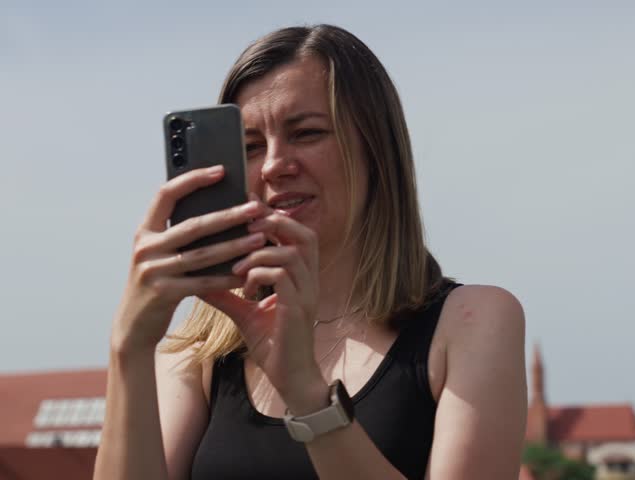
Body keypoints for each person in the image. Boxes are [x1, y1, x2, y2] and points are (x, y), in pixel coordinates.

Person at [94, 24, 527, 480]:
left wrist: (306, 392)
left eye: (306, 133)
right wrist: (129, 347)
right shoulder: (199, 351)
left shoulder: (471, 322)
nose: (277, 165)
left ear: (375, 149)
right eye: (250, 147)